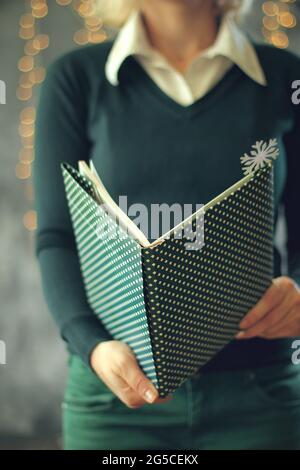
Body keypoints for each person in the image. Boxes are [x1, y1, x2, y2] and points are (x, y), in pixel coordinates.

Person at [34, 0, 300, 450]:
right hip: (112, 395)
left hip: (259, 394)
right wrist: (92, 345)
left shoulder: (286, 77)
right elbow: (58, 237)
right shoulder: (75, 78)